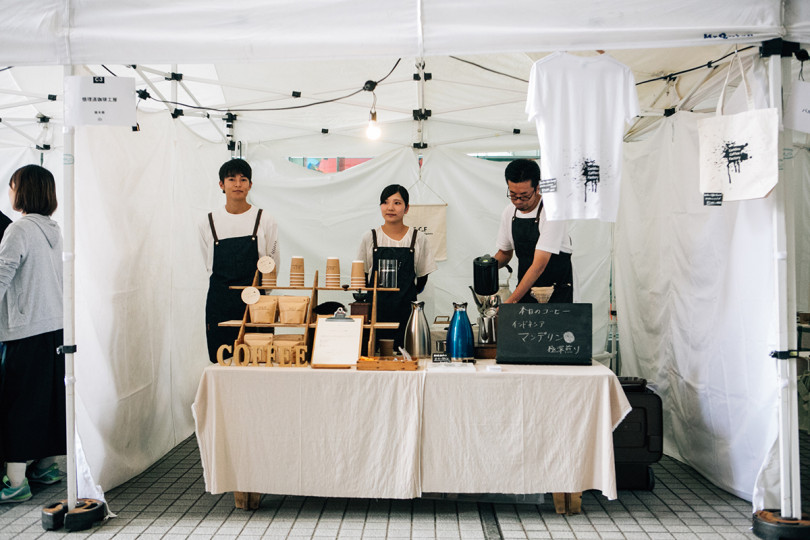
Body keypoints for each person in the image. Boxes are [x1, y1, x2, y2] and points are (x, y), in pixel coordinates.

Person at [0, 165, 66, 503]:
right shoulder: (53, 228)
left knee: (18, 404)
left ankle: (15, 482)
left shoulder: (19, 229)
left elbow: (2, 275)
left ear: (22, 191)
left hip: (24, 331)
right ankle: (45, 467)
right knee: (48, 399)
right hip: (53, 327)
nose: (9, 192)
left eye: (12, 186)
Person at [199, 158, 280, 363]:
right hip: (220, 302)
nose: (237, 184)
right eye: (231, 179)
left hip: (257, 303)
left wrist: (263, 294)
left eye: (243, 179)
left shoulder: (264, 219)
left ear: (250, 185)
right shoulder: (208, 222)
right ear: (221, 185)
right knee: (222, 361)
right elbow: (207, 263)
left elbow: (272, 261)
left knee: (260, 361)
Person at [357, 184, 437, 349]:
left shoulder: (417, 238)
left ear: (407, 208)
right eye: (385, 202)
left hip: (406, 314)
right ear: (380, 206)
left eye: (397, 203)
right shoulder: (370, 237)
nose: (390, 208)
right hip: (375, 314)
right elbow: (363, 276)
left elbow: (422, 278)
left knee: (406, 359)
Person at [493, 159, 573, 304]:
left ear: (537, 188)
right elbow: (505, 253)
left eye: (524, 196)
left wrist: (510, 302)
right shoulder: (509, 212)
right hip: (525, 292)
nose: (517, 201)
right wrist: (486, 268)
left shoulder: (551, 212)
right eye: (512, 195)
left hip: (557, 295)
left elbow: (539, 265)